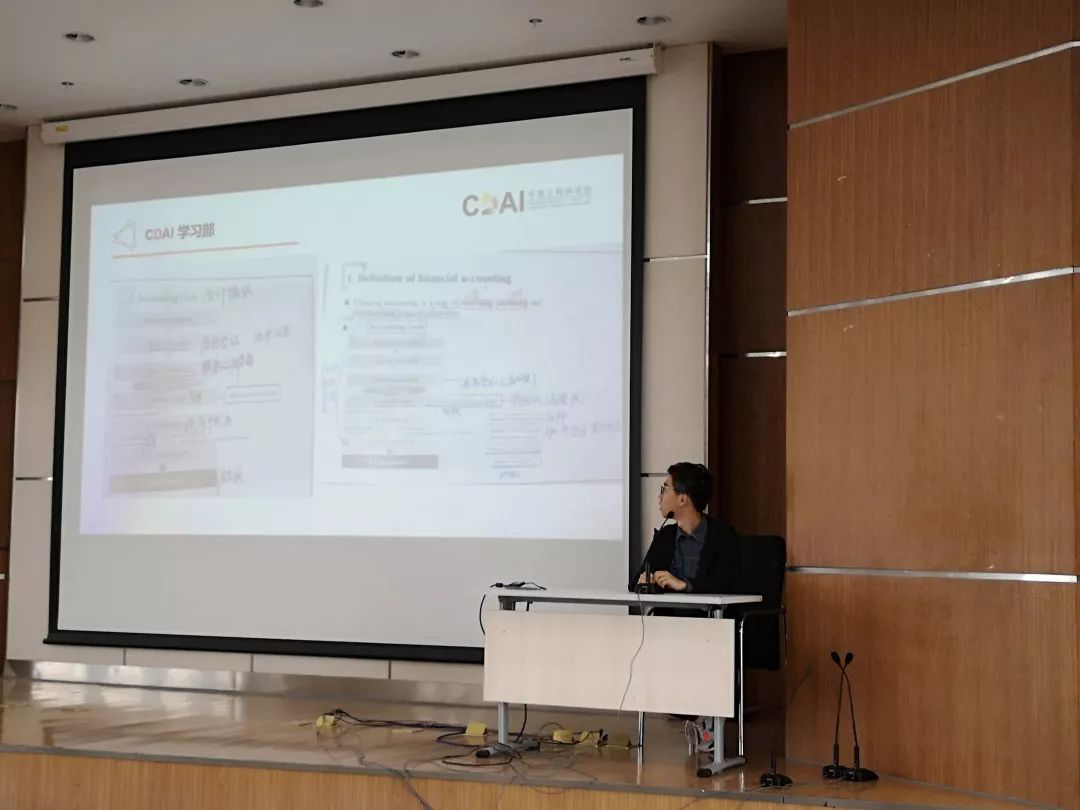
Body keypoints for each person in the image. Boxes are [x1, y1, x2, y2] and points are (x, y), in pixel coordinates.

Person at [629, 462, 741, 594]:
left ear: (682, 499)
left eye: (664, 489)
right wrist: (645, 581)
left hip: (708, 608)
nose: (659, 497)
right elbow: (635, 582)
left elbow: (728, 583)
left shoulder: (722, 536)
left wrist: (685, 585)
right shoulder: (665, 535)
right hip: (669, 608)